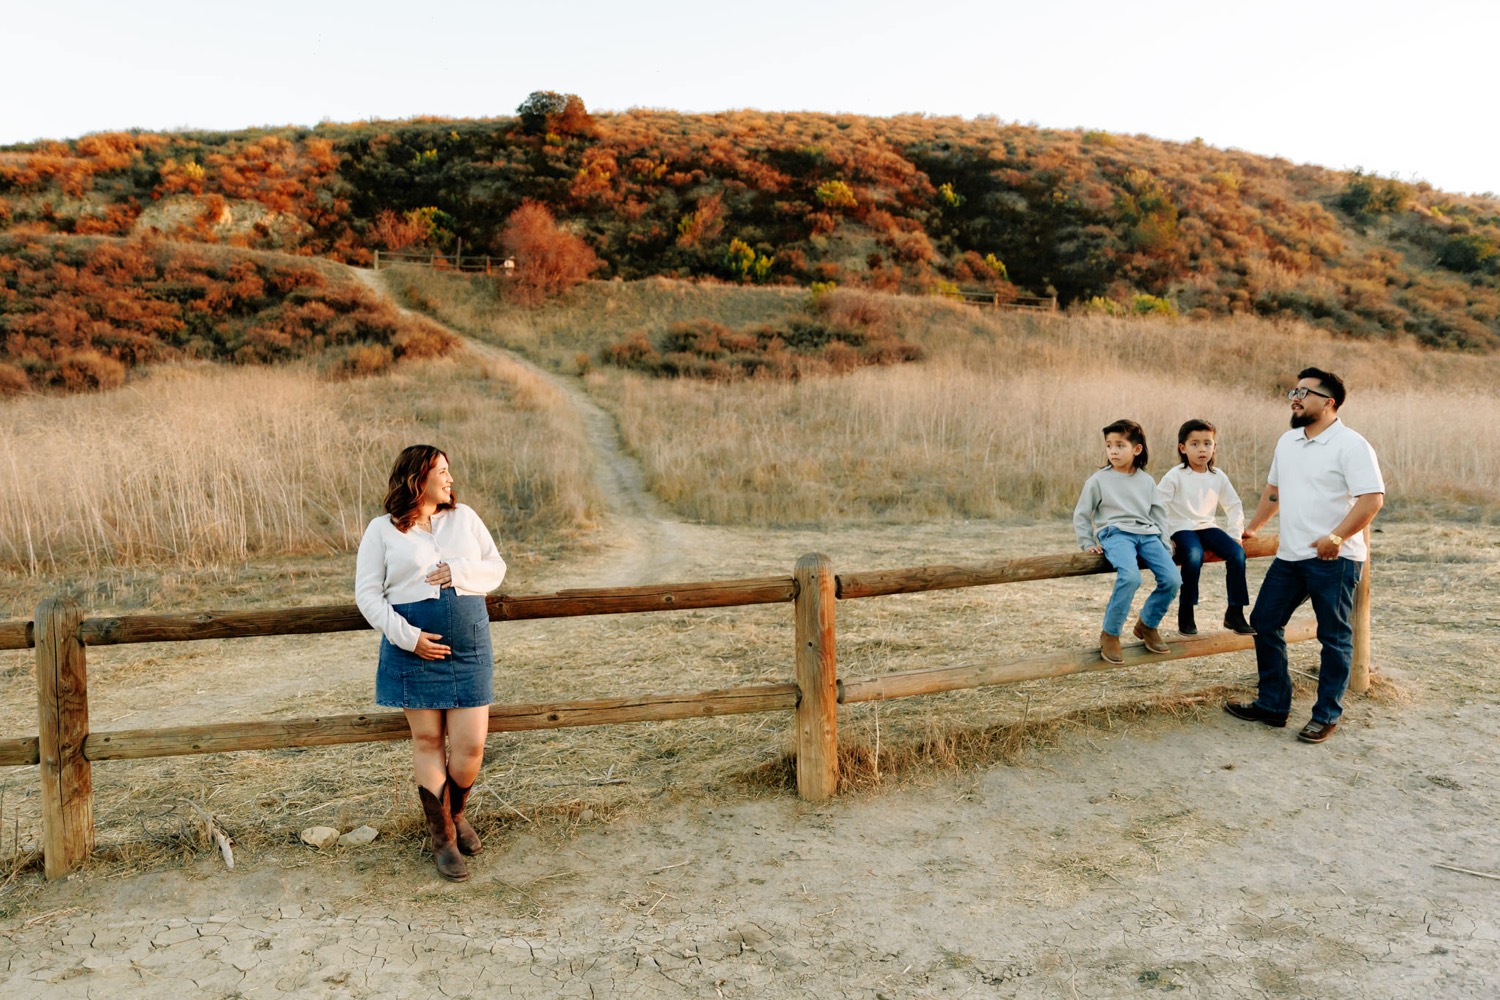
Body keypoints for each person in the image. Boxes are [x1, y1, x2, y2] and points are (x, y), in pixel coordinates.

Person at [355, 445, 507, 880]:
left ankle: (456, 813)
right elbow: (367, 595)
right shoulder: (381, 531)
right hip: (413, 649)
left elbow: (495, 567)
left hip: (470, 648)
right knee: (428, 743)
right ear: (417, 479)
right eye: (442, 471)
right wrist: (409, 639)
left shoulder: (465, 519)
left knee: (471, 747)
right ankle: (442, 837)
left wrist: (457, 571)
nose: (450, 478)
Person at [1226, 368, 1384, 744]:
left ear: (1328, 402)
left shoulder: (1351, 445)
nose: (1295, 397)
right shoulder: (1288, 441)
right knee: (1264, 621)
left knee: (1333, 637)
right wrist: (1254, 528)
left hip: (1336, 559)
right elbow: (1274, 490)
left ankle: (1326, 714)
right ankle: (1273, 705)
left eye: (1304, 392)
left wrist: (1337, 536)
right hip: (1290, 557)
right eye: (1293, 391)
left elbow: (1372, 499)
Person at [1073, 419, 1182, 664]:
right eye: (1109, 445)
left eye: (1120, 445)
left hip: (1147, 534)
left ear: (1136, 449)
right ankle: (1110, 633)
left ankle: (1147, 624)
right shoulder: (1098, 480)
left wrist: (1164, 543)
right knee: (1131, 577)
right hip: (1115, 533)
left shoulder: (1146, 480)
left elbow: (1158, 515)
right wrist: (1086, 541)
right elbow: (1082, 513)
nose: (1113, 450)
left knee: (1173, 579)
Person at [1156, 418, 1254, 636]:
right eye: (1195, 444)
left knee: (1237, 553)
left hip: (1207, 526)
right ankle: (1186, 611)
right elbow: (1157, 507)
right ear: (1182, 448)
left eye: (1207, 443)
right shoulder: (1175, 475)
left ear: (1214, 447)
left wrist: (1235, 534)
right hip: (1181, 527)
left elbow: (1234, 505)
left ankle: (1235, 613)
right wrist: (1164, 537)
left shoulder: (1217, 476)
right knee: (1193, 555)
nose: (1202, 449)